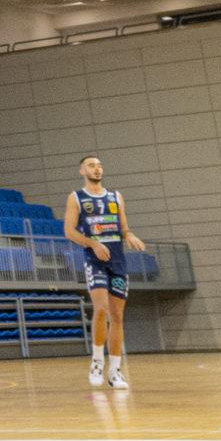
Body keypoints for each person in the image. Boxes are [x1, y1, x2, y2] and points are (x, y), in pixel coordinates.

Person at [64, 155, 147, 388]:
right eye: (92, 165)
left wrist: (129, 235)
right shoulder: (76, 198)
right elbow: (69, 231)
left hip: (118, 261)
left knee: (118, 316)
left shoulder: (116, 196)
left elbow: (124, 228)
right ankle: (97, 363)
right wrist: (93, 244)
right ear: (82, 170)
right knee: (100, 310)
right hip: (95, 259)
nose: (97, 168)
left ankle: (115, 371)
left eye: (100, 165)